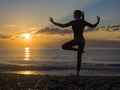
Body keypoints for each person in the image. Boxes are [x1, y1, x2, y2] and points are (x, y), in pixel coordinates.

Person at [49, 10, 100, 75]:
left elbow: (63, 25)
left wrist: (53, 22)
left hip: (76, 40)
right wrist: (98, 21)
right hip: (82, 41)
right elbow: (93, 26)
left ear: (76, 15)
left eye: (74, 14)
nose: (73, 15)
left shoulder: (73, 22)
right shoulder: (83, 22)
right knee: (79, 57)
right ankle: (77, 73)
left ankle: (78, 50)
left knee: (63, 46)